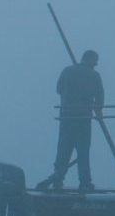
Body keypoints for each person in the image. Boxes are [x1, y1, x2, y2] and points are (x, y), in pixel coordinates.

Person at [45, 50, 104, 191]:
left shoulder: (67, 71)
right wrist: (98, 112)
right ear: (90, 60)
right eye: (95, 62)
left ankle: (58, 179)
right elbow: (99, 97)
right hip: (83, 119)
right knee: (83, 152)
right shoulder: (94, 75)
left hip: (67, 117)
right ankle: (85, 182)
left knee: (63, 150)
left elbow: (58, 89)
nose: (96, 65)